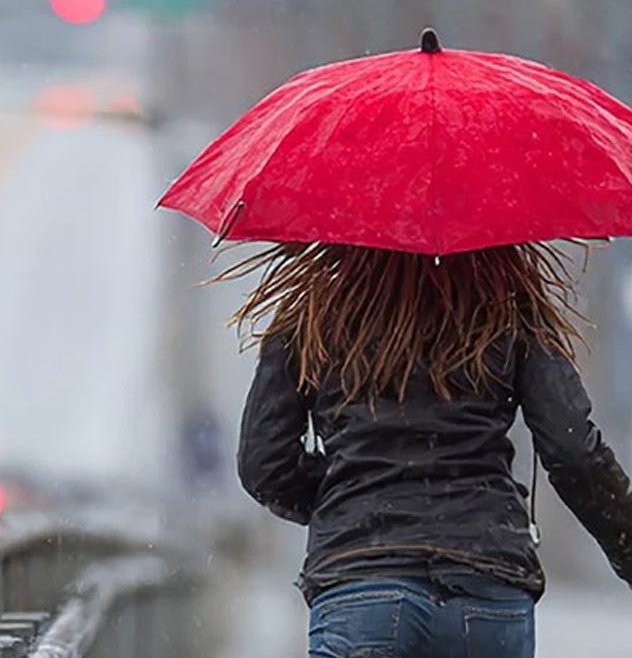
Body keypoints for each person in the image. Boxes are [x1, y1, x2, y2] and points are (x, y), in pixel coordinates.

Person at [227, 243, 632, 658]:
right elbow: (573, 451)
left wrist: (353, 497)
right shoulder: (510, 306)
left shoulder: (313, 311)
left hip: (365, 592)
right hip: (488, 585)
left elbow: (264, 465)